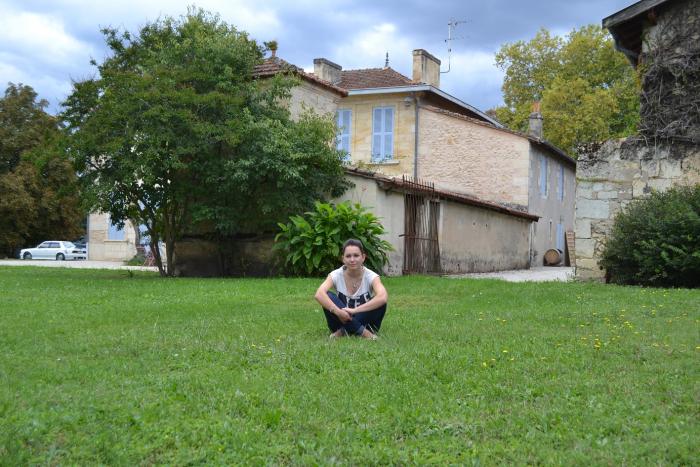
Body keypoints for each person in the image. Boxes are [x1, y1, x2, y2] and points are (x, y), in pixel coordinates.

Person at [314, 239, 388, 339]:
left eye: (356, 255)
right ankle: (363, 333)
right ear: (343, 259)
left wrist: (355, 310)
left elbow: (383, 297)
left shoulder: (371, 276)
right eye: (348, 256)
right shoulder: (335, 275)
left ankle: (342, 332)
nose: (352, 260)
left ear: (363, 257)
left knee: (380, 302)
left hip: (366, 324)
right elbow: (319, 294)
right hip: (339, 321)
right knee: (327, 295)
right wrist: (338, 312)